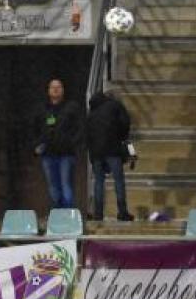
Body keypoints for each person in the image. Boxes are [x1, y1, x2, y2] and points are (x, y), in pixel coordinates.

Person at [31, 79, 83, 209]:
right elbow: (34, 129)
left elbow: (80, 128)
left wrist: (72, 144)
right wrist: (37, 145)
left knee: (66, 185)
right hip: (48, 153)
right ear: (48, 91)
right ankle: (57, 219)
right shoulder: (42, 109)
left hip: (66, 153)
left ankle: (68, 217)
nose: (55, 89)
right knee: (53, 187)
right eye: (52, 87)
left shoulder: (72, 107)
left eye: (58, 87)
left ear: (63, 90)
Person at [84, 91, 133, 221]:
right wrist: (121, 137)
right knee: (118, 181)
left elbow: (87, 135)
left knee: (99, 182)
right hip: (112, 149)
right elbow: (125, 123)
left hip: (96, 153)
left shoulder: (91, 112)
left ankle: (98, 213)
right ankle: (122, 212)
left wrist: (92, 154)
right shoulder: (115, 106)